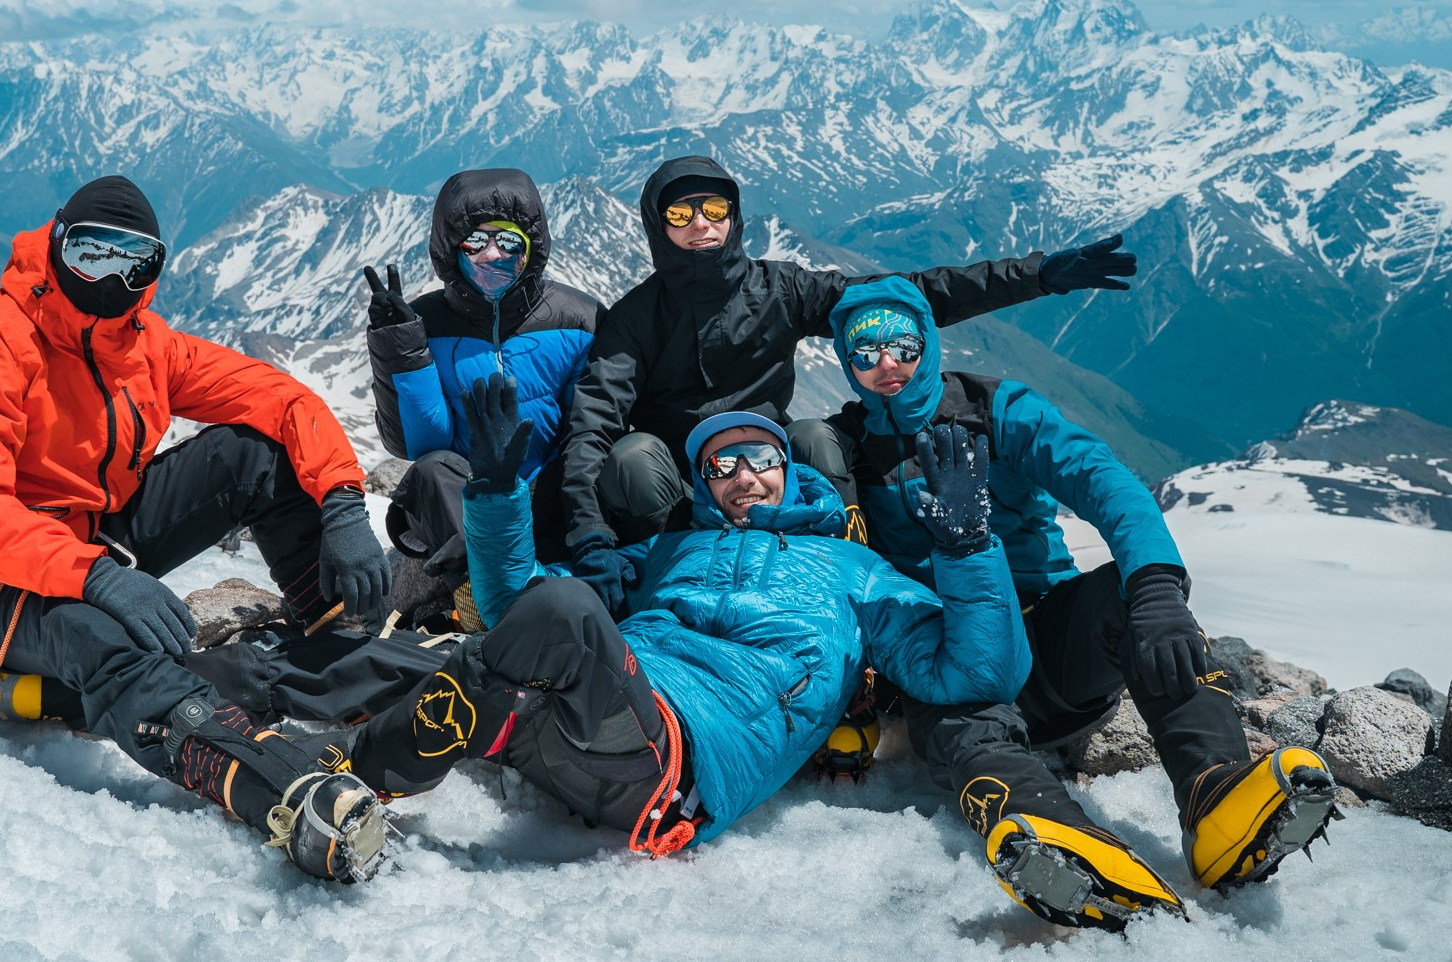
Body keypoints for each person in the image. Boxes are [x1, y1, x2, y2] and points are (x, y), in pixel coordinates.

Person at [0, 175, 394, 883]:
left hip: (87, 542)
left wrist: (342, 501)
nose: (112, 278)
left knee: (252, 455)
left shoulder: (143, 347)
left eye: (134, 262)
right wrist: (96, 578)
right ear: (56, 245)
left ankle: (348, 655)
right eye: (91, 253)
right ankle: (279, 785)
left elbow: (279, 398)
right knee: (97, 638)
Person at [817, 276, 1337, 928]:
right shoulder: (844, 449)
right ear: (847, 362)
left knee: (1125, 598)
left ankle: (1215, 792)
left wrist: (1155, 583)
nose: (887, 364)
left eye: (902, 345)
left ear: (928, 342)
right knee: (962, 725)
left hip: (1047, 634)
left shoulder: (994, 410)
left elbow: (1101, 479)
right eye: (866, 352)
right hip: (943, 655)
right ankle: (1054, 831)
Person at [340, 373, 1031, 857]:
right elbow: (512, 608)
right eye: (721, 466)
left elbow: (977, 674)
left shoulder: (856, 570)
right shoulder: (668, 552)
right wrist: (494, 495)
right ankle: (314, 763)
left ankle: (355, 776)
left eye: (760, 457)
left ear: (788, 467)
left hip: (675, 764)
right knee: (456, 651)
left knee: (555, 615)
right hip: (578, 724)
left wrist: (968, 549)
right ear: (703, 486)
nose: (743, 475)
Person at [554, 153, 1138, 593]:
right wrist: (588, 534)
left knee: (816, 436)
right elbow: (592, 426)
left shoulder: (779, 289)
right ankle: (674, 578)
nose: (701, 224)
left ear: (734, 217)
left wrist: (1037, 276)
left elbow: (903, 295)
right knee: (630, 455)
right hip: (683, 484)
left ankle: (842, 570)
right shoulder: (635, 318)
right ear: (657, 225)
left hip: (771, 469)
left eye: (715, 210)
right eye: (681, 213)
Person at [363, 168, 600, 618]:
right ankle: (478, 596)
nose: (492, 254)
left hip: (550, 489)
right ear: (452, 249)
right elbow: (418, 445)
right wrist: (400, 350)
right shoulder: (423, 323)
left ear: (530, 247)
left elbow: (590, 428)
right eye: (475, 242)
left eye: (508, 241)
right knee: (431, 471)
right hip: (467, 498)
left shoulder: (578, 318)